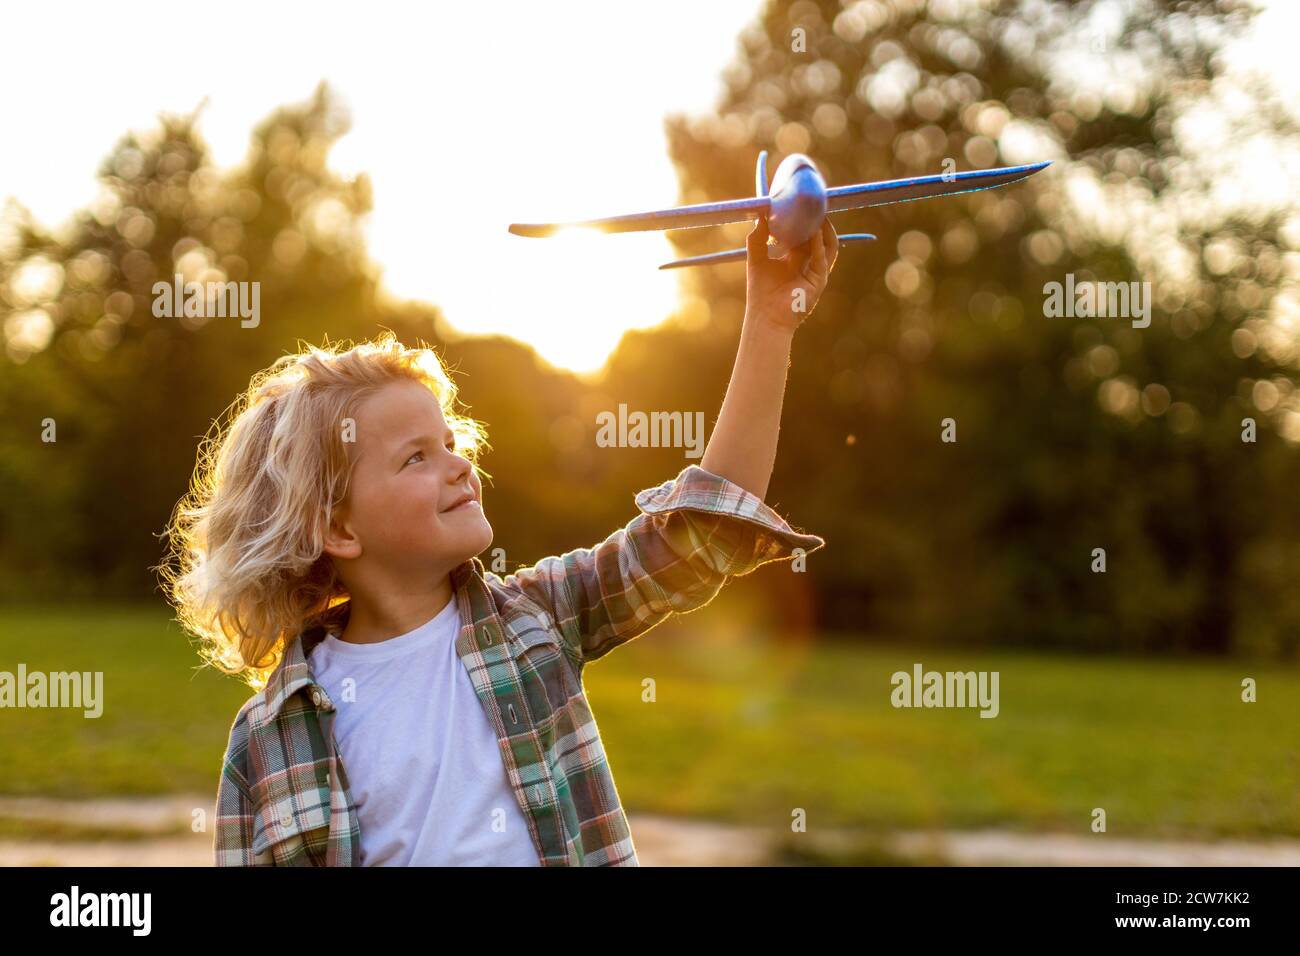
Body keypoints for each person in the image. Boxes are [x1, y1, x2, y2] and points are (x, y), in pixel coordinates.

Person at [160, 215, 838, 866]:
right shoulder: (266, 740)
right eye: (415, 458)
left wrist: (772, 319)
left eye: (450, 443)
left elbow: (703, 531)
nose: (458, 464)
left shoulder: (540, 617)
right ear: (337, 528)